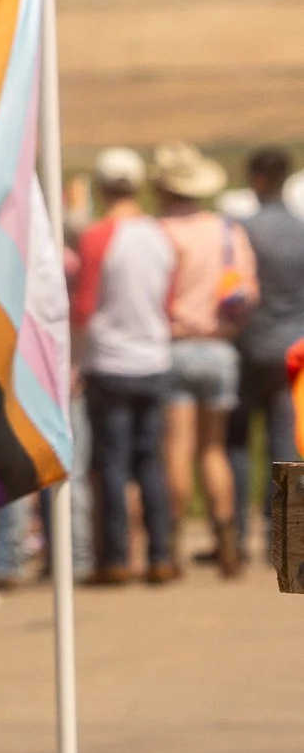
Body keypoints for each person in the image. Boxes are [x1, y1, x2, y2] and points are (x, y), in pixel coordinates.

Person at [68, 147, 177, 583]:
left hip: (110, 362)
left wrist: (73, 359)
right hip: (155, 358)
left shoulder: (98, 236)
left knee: (111, 463)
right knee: (149, 460)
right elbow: (167, 301)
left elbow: (84, 306)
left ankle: (114, 557)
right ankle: (160, 554)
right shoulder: (159, 235)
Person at [152, 140, 256, 579]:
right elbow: (248, 292)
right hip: (219, 347)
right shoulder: (226, 230)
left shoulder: (158, 233)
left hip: (174, 345)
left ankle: (171, 545)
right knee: (214, 451)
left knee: (177, 449)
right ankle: (226, 540)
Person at [233, 146, 304, 557]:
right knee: (283, 444)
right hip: (292, 351)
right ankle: (280, 538)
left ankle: (238, 537)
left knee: (237, 442)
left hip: (249, 347)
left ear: (259, 179)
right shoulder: (300, 228)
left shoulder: (242, 229)